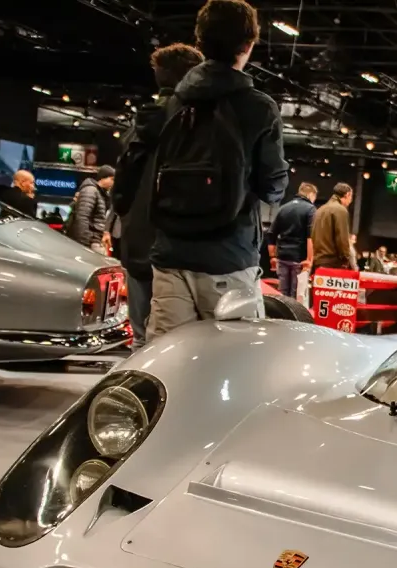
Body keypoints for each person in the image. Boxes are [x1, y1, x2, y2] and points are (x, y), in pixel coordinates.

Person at [147, 0, 290, 339]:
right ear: (248, 45)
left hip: (170, 251)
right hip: (229, 257)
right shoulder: (258, 108)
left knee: (166, 358)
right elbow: (273, 187)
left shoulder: (173, 103)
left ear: (200, 41)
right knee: (234, 358)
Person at [112, 42, 205, 349]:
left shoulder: (137, 128)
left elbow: (120, 192)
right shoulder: (201, 127)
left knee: (141, 340)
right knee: (184, 344)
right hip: (180, 248)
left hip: (138, 242)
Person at [267, 181, 316, 299]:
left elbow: (271, 233)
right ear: (311, 195)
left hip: (282, 257)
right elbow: (311, 236)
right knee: (297, 294)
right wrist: (309, 259)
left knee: (282, 294)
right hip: (299, 259)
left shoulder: (283, 208)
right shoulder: (310, 209)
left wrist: (272, 256)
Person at [68, 166, 115, 252]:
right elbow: (82, 217)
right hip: (90, 242)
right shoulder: (90, 190)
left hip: (94, 240)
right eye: (112, 179)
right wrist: (84, 243)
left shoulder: (100, 193)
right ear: (103, 178)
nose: (113, 183)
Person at [311, 182, 354, 270]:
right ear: (347, 194)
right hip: (332, 262)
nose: (351, 200)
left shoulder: (320, 209)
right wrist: (346, 258)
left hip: (317, 260)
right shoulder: (340, 210)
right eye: (351, 197)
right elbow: (342, 237)